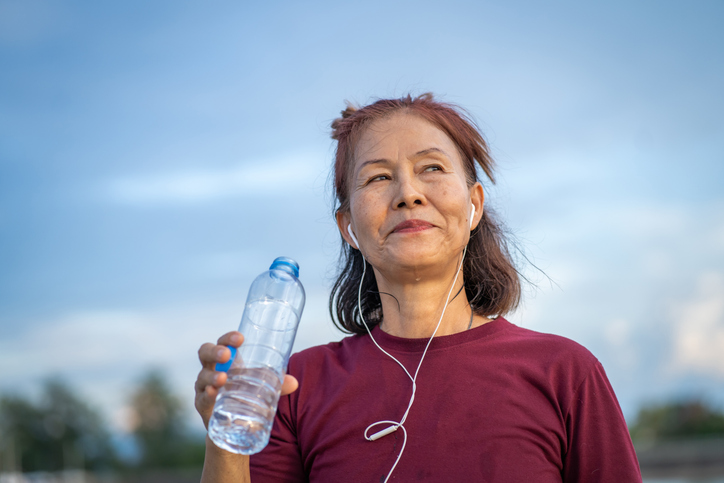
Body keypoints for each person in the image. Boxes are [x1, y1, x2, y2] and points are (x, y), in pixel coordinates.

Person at [195, 93, 642, 482]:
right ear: (348, 227)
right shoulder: (292, 386)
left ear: (473, 206)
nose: (408, 194)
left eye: (431, 168)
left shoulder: (565, 373)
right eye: (378, 177)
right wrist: (225, 437)